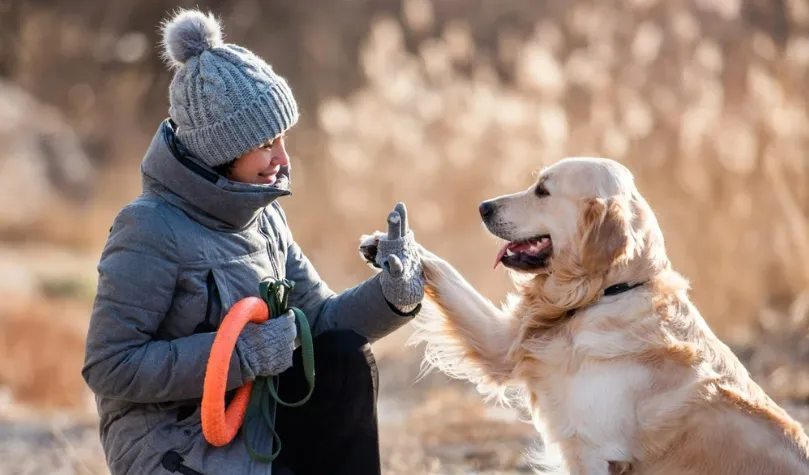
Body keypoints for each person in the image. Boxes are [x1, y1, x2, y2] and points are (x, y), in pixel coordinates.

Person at [81, 9, 425, 475]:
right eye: (267, 143)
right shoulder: (148, 229)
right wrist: (241, 355)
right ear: (219, 150)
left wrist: (392, 295)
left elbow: (319, 321)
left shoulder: (264, 217)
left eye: (283, 139)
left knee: (343, 357)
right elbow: (110, 366)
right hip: (177, 446)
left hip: (259, 422)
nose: (283, 159)